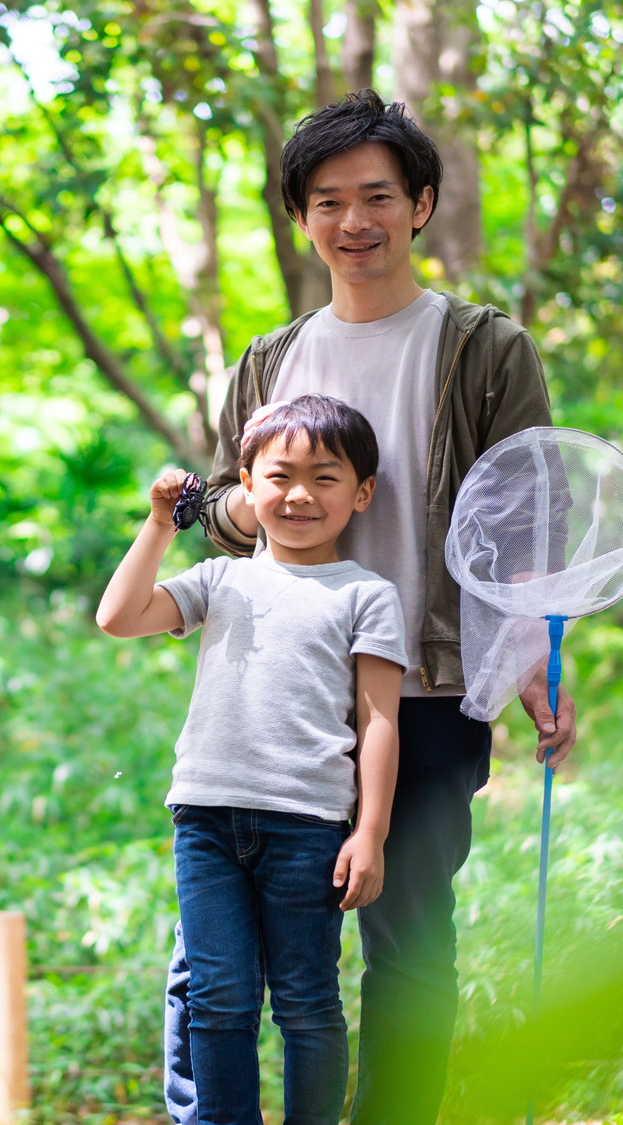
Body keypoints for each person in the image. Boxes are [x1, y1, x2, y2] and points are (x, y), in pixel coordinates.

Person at [167, 90, 580, 1125]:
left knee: (404, 943)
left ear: (419, 204)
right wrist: (228, 513)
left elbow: (525, 518)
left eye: (375, 197)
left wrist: (531, 665)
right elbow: (226, 496)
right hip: (274, 698)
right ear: (301, 218)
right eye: (325, 201)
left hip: (432, 687)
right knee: (212, 960)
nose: (352, 221)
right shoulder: (268, 360)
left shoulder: (484, 349)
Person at [97, 394, 407, 1125]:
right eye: (280, 475)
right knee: (218, 995)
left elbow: (380, 718)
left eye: (325, 477)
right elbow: (117, 616)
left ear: (361, 492)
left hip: (307, 828)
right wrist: (156, 524)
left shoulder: (366, 594)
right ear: (246, 482)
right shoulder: (220, 579)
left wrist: (371, 832)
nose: (300, 494)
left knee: (305, 1002)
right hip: (204, 822)